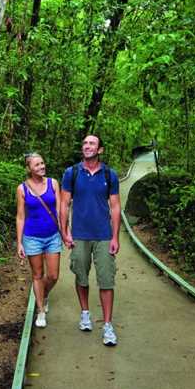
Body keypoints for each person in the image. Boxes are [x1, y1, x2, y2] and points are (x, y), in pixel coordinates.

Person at [59, 135, 121, 346]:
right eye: (85, 143)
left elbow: (115, 207)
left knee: (106, 280)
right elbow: (64, 204)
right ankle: (85, 312)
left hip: (103, 235)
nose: (87, 146)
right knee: (81, 276)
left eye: (92, 144)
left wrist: (115, 236)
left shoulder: (109, 175)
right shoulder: (72, 173)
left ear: (100, 150)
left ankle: (107, 325)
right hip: (79, 235)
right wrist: (64, 232)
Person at [16, 152, 62, 328]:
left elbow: (58, 211)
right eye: (37, 165)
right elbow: (20, 216)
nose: (41, 167)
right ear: (29, 168)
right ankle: (40, 310)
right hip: (32, 237)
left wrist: (64, 232)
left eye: (42, 163)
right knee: (37, 275)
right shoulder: (22, 189)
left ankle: (44, 294)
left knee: (53, 275)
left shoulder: (53, 183)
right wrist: (19, 242)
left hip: (52, 236)